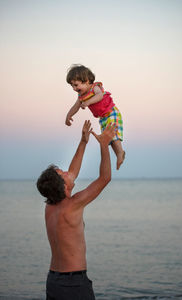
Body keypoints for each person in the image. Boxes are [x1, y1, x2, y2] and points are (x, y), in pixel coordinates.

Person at [36, 120, 116, 300]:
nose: (67, 172)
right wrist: (104, 145)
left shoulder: (50, 207)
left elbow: (73, 172)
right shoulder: (73, 205)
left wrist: (83, 142)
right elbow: (105, 178)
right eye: (63, 174)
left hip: (54, 281)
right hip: (73, 284)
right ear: (64, 187)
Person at [65, 64, 125, 170]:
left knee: (114, 134)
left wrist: (88, 102)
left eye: (76, 85)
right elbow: (75, 107)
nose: (74, 88)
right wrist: (69, 115)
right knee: (108, 138)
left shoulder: (94, 88)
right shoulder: (81, 96)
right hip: (103, 118)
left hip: (111, 112)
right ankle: (119, 154)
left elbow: (100, 96)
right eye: (72, 86)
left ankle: (120, 153)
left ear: (87, 81)